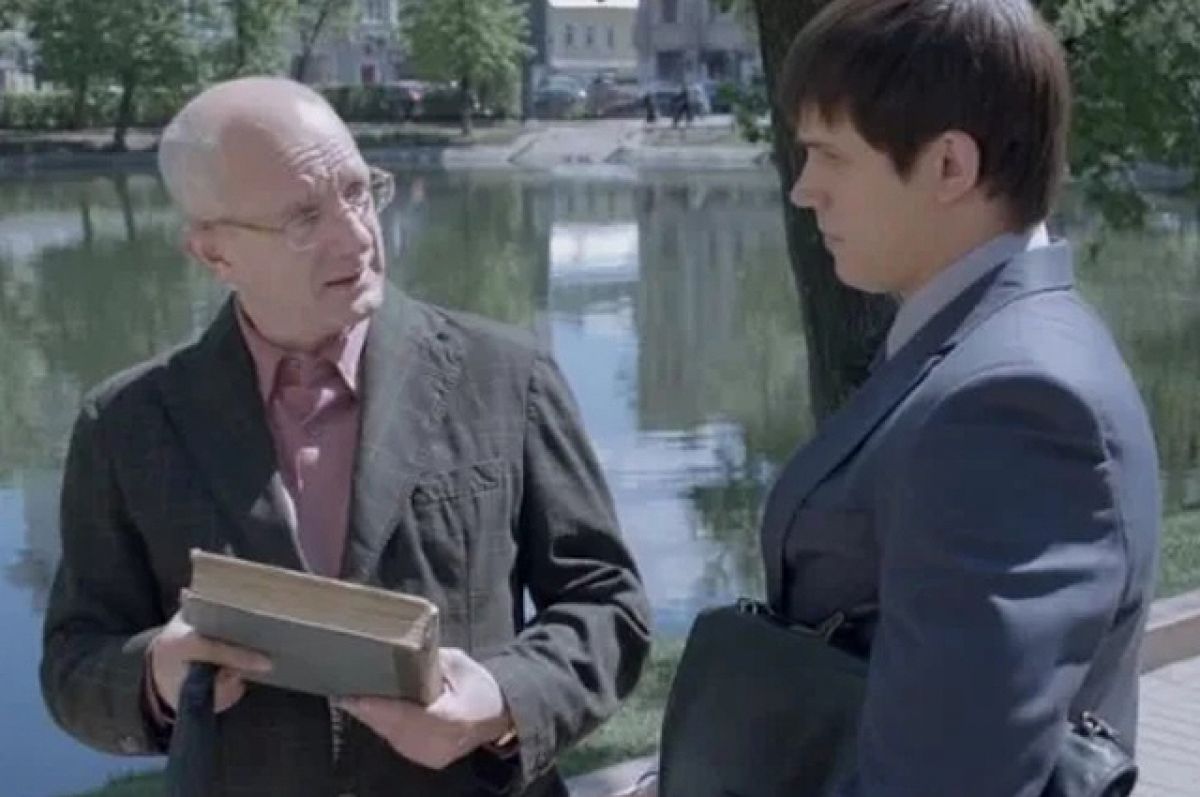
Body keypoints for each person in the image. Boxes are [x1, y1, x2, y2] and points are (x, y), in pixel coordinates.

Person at [40, 76, 651, 797]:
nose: (358, 236)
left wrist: (500, 702)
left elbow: (607, 605)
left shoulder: (507, 376)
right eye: (304, 217)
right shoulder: (127, 423)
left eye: (359, 192)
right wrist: (157, 674)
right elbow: (74, 663)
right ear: (214, 253)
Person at [640, 1, 1160, 795]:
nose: (804, 190)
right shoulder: (978, 345)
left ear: (950, 165)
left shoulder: (1014, 404)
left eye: (830, 155)